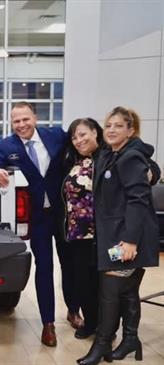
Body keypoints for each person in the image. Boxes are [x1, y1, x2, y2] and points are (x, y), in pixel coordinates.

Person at [0, 102, 81, 347]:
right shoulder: (7, 145)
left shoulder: (57, 135)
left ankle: (73, 310)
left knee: (71, 264)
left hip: (64, 214)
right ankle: (48, 324)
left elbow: (84, 150)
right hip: (38, 218)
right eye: (16, 121)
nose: (21, 125)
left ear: (35, 118)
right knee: (45, 267)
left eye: (25, 119)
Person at [78, 106, 160, 365]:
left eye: (118, 126)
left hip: (127, 238)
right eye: (109, 125)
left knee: (109, 291)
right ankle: (130, 340)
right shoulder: (110, 154)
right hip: (115, 236)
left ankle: (102, 344)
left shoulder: (129, 157)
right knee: (127, 292)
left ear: (131, 130)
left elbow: (138, 200)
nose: (111, 130)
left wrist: (131, 241)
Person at [62, 118, 105, 340]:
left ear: (96, 132)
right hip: (77, 233)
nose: (79, 140)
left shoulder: (108, 157)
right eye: (74, 137)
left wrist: (151, 173)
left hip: (101, 234)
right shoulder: (77, 161)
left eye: (83, 134)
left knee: (102, 284)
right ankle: (90, 323)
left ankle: (106, 329)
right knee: (82, 281)